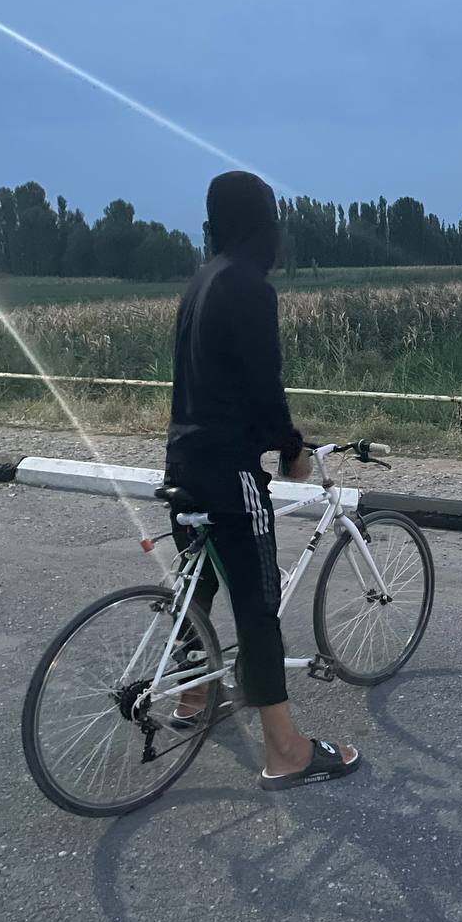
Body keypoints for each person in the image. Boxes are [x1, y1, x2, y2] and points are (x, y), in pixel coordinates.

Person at [163, 170, 359, 791]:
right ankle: (286, 751)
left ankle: (193, 698)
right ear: (264, 224)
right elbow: (262, 385)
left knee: (198, 587)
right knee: (258, 603)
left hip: (182, 460)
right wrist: (291, 449)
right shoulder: (249, 285)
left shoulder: (200, 282)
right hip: (228, 469)